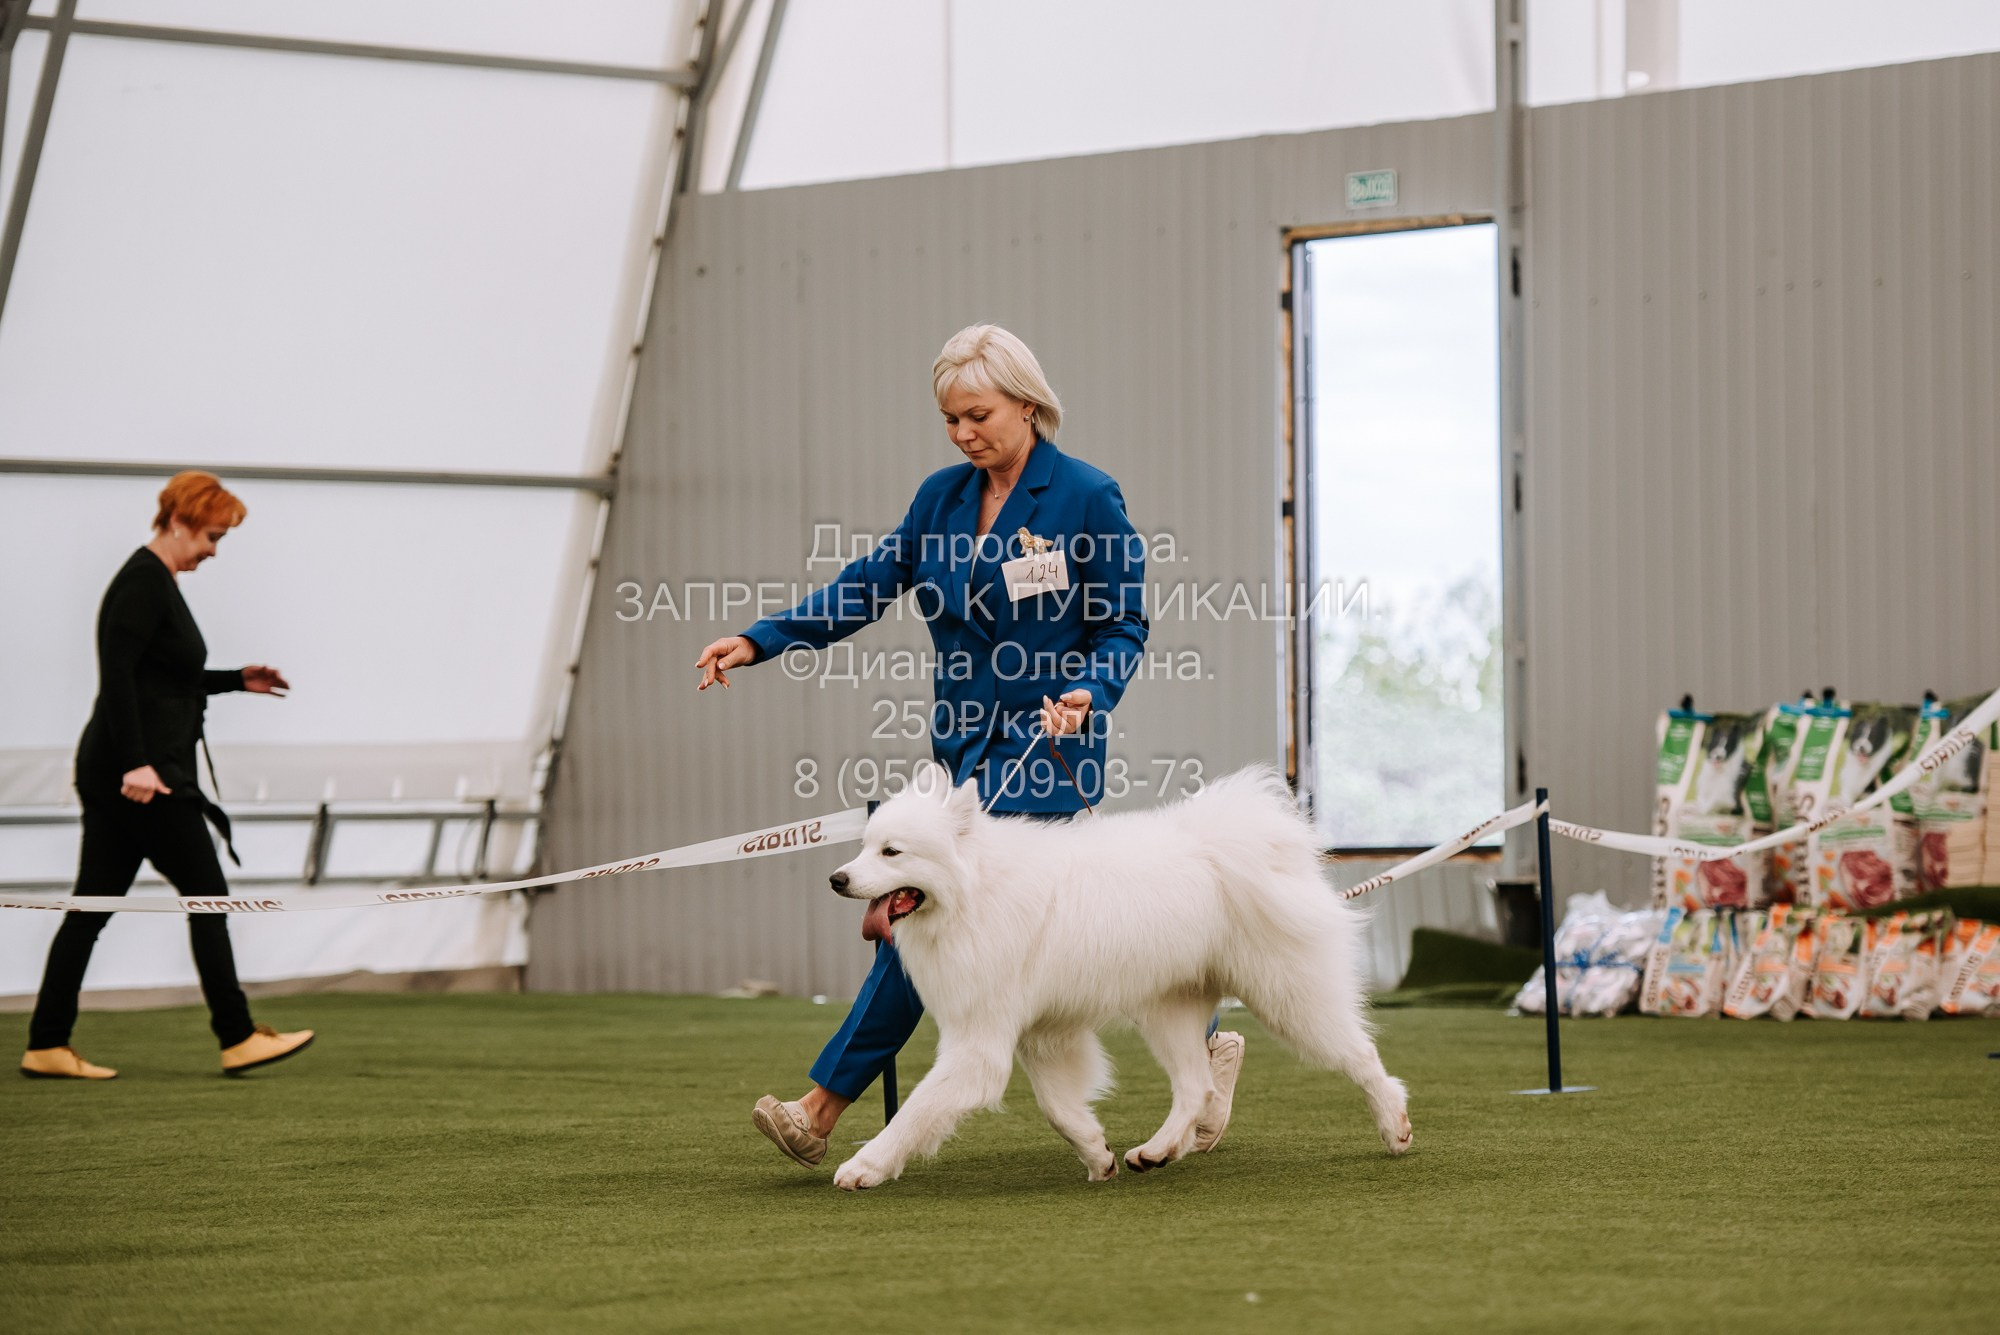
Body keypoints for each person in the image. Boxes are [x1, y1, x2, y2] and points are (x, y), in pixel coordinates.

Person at [695, 324, 1245, 1168]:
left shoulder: (1088, 497)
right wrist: (761, 638)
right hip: (957, 761)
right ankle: (1204, 1046)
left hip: (1043, 753)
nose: (963, 434)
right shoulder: (940, 499)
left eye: (977, 414)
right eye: (950, 419)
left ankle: (821, 1107)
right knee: (963, 931)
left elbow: (1124, 623)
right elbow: (868, 586)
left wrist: (1089, 694)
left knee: (932, 925)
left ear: (1029, 404)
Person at [21, 471, 314, 1081]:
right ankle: (236, 1036)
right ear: (179, 522)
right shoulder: (141, 584)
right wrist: (136, 762)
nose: (214, 549)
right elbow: (118, 679)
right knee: (208, 895)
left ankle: (47, 1043)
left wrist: (237, 680)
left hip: (129, 773)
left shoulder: (157, 583)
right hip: (140, 778)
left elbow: (164, 679)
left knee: (93, 907)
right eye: (212, 535)